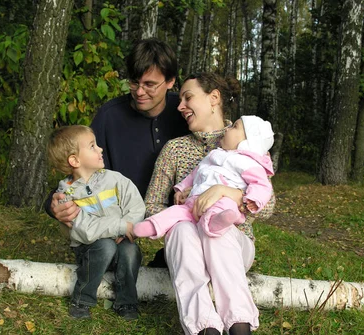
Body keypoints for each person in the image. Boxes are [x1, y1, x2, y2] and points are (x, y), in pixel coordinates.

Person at [143, 73, 276, 335]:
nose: (180, 105)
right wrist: (182, 206)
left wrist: (225, 193)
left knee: (216, 233)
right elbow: (152, 206)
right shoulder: (175, 150)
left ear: (213, 98)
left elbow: (267, 205)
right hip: (188, 244)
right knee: (183, 230)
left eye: (188, 97)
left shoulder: (247, 142)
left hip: (232, 242)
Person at [46, 38, 189, 225]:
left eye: (149, 84)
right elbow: (78, 168)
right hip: (121, 221)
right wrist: (52, 203)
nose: (139, 92)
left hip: (178, 220)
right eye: (134, 82)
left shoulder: (185, 112)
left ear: (170, 81)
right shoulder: (109, 116)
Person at [47, 125, 146, 320]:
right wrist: (119, 227)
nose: (100, 149)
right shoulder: (67, 195)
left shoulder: (115, 179)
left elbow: (136, 206)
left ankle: (126, 302)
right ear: (74, 160)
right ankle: (82, 299)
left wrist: (127, 226)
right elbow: (84, 229)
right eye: (92, 146)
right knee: (105, 246)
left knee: (131, 250)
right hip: (90, 249)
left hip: (121, 240)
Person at [133, 115, 274, 239]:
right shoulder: (213, 154)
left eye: (188, 97)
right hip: (193, 205)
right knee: (176, 212)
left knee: (226, 207)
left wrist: (248, 199)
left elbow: (262, 187)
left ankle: (215, 223)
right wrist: (181, 189)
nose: (228, 129)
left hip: (224, 208)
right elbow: (196, 172)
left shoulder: (249, 163)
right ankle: (153, 225)